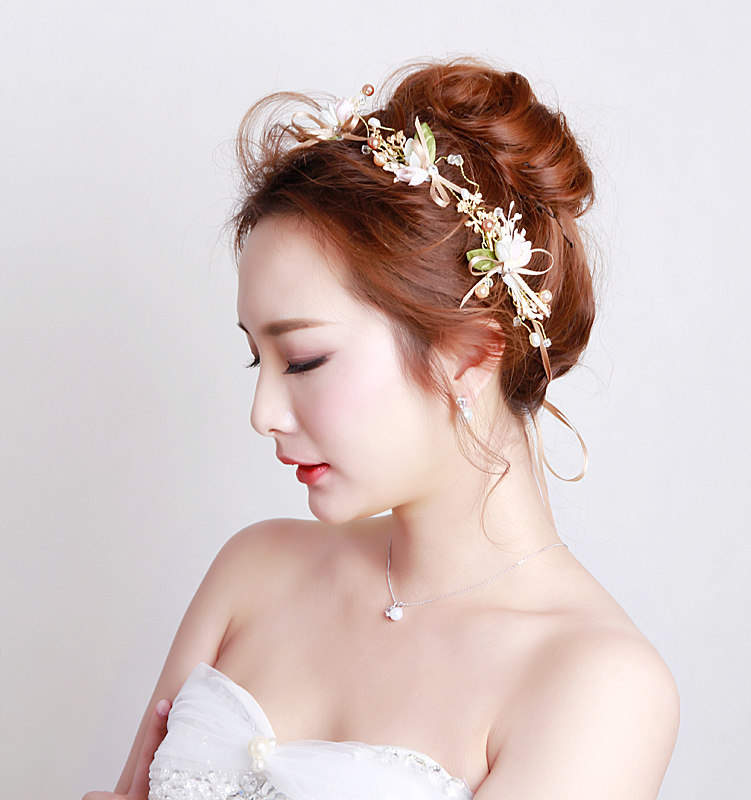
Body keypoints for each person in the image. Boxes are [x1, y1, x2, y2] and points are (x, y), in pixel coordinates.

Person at [84, 57, 679, 800]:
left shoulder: (598, 685)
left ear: (469, 353)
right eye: (257, 360)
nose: (263, 414)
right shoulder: (253, 571)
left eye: (304, 360)